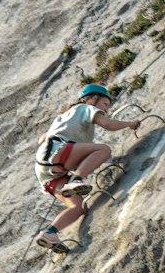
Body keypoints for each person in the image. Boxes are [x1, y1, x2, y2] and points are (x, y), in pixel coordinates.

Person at [33, 81, 141, 252]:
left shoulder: (64, 116)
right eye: (105, 104)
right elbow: (107, 124)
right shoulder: (85, 108)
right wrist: (130, 123)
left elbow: (41, 139)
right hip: (58, 153)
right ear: (92, 99)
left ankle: (49, 233)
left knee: (79, 207)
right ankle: (75, 181)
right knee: (104, 149)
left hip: (46, 169)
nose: (106, 110)